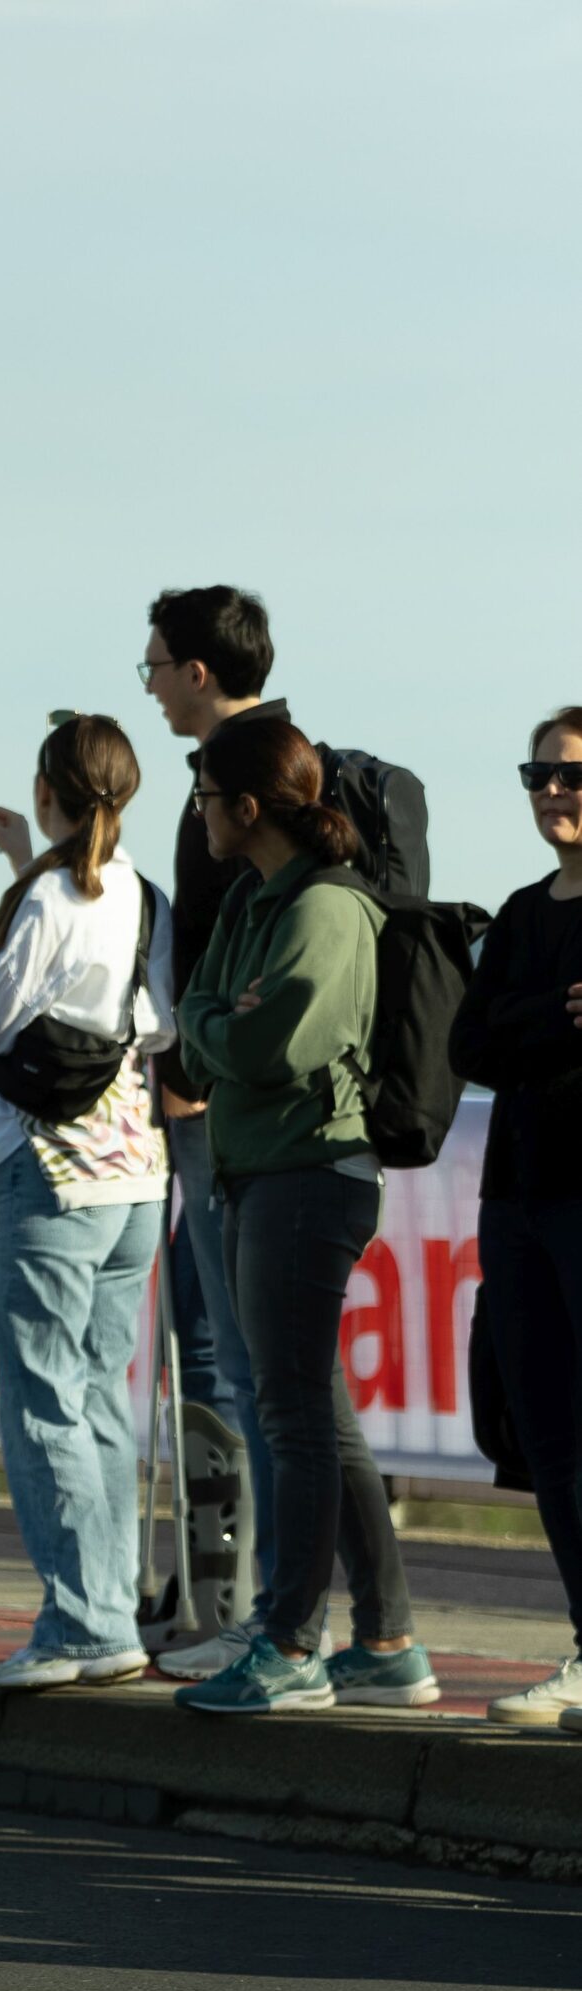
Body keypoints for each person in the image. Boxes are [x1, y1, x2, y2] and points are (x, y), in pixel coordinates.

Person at [171, 717, 438, 1713]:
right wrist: (218, 1020)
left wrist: (218, 1024)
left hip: (308, 1174)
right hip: (261, 1173)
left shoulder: (327, 907)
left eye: (204, 798)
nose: (196, 817)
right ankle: (388, 1640)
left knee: (291, 1416)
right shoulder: (254, 895)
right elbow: (204, 1026)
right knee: (315, 1413)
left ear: (246, 807)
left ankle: (289, 1645)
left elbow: (271, 1045)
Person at [0, 715, 175, 1689]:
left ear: (49, 793)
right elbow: (157, 1024)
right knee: (96, 1392)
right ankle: (109, 1607)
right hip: (135, 1170)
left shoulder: (47, 898)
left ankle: (82, 1623)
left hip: (54, 1168)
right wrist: (24, 862)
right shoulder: (145, 893)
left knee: (44, 1401)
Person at [134, 589, 282, 1668]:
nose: (146, 685)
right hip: (225, 1101)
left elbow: (231, 941)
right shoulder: (270, 759)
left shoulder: (239, 777)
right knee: (235, 1353)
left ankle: (251, 1618)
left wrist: (188, 1064)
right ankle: (240, 1609)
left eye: (153, 665)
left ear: (196, 670)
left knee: (239, 1356)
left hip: (226, 1108)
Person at [450, 712, 582, 1729]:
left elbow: (498, 1031)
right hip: (518, 1198)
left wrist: (518, 1023)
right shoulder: (521, 911)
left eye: (569, 774)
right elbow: (471, 1046)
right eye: (536, 773)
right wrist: (555, 1015)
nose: (552, 790)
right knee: (542, 1431)